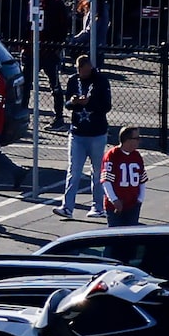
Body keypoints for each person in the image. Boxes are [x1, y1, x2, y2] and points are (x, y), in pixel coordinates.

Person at [60, 53, 113, 220]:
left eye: (83, 69)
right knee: (73, 171)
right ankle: (67, 207)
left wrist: (89, 102)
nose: (80, 73)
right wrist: (74, 102)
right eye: (78, 70)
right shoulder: (73, 80)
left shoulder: (101, 81)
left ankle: (98, 206)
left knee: (97, 171)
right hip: (77, 133)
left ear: (89, 67)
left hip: (97, 133)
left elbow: (106, 106)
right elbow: (67, 104)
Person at [101, 125, 147, 227]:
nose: (139, 141)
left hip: (133, 204)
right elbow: (106, 181)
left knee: (131, 236)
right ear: (127, 140)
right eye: (136, 138)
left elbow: (142, 180)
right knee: (115, 236)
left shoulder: (137, 156)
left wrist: (140, 199)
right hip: (115, 205)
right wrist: (114, 199)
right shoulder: (112, 155)